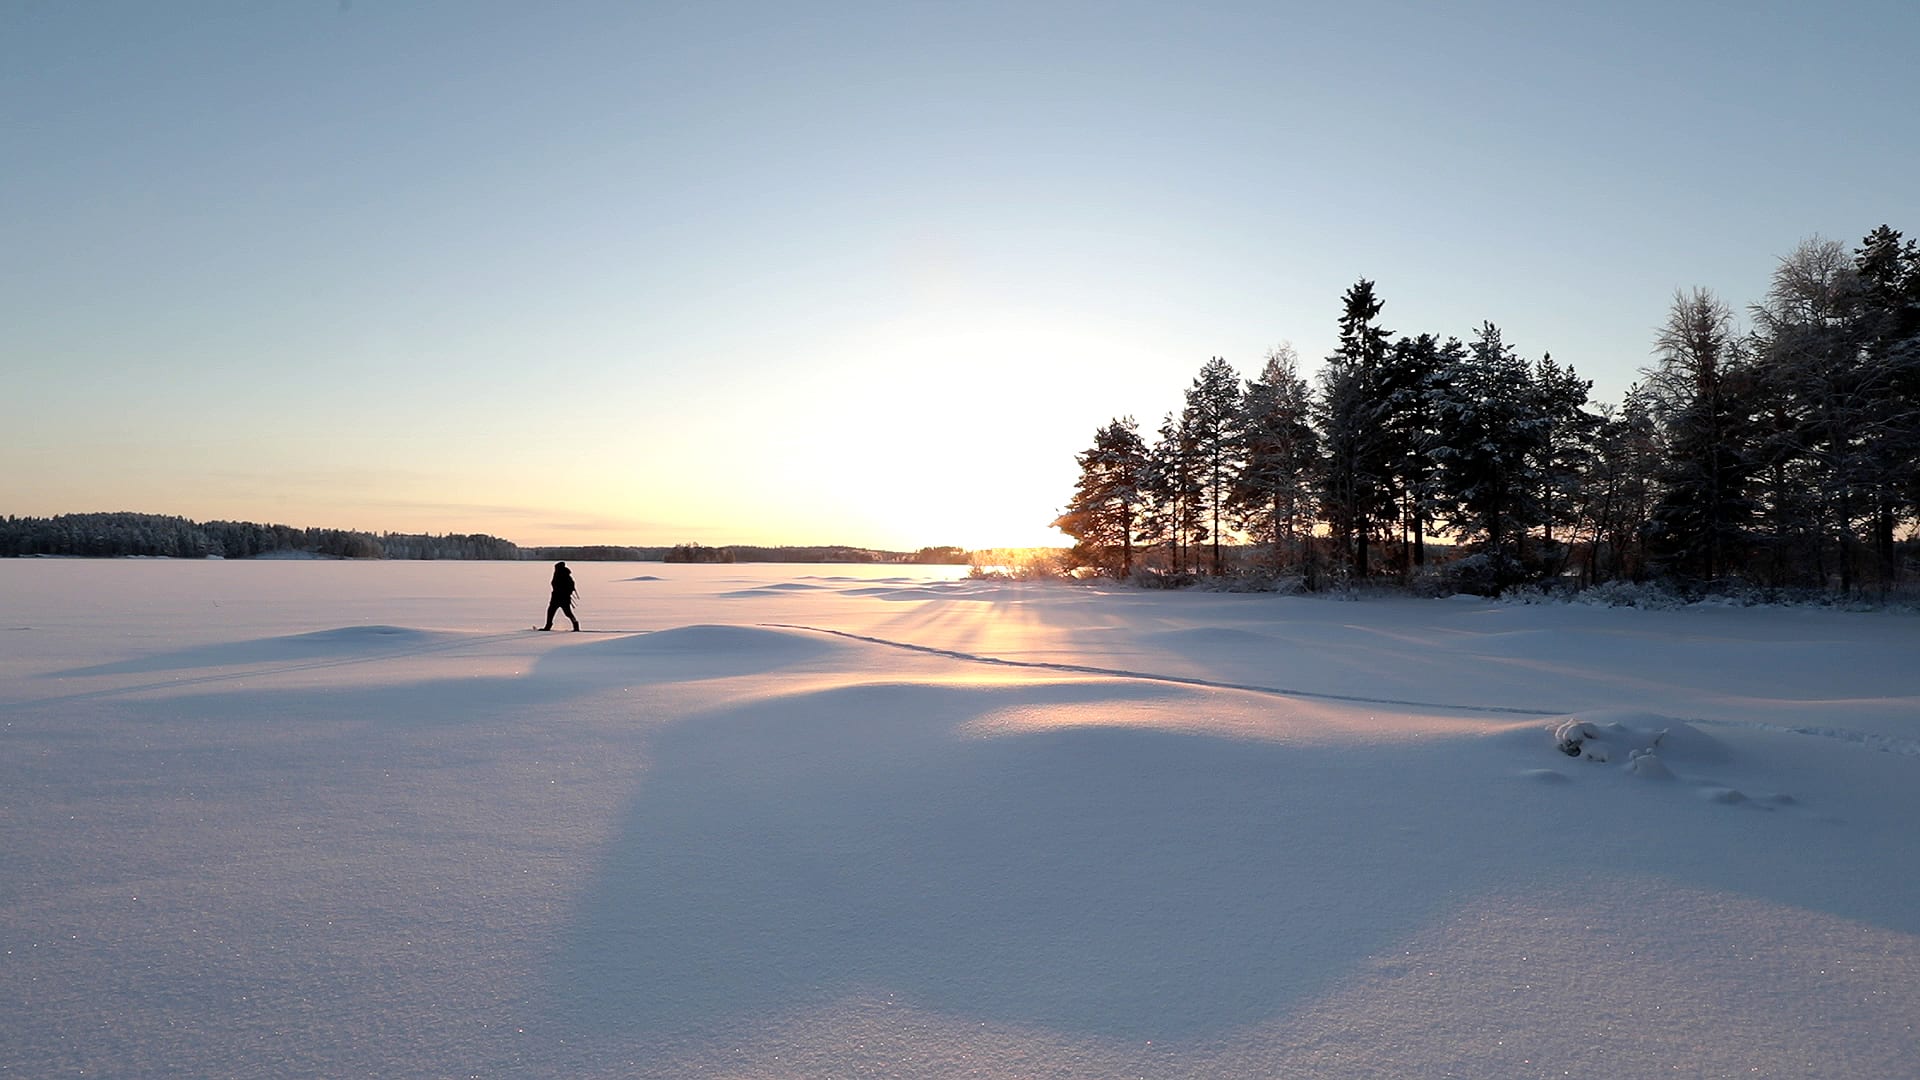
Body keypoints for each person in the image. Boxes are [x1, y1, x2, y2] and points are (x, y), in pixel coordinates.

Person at [540, 561, 580, 631]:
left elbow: (571, 586)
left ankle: (575, 624)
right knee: (552, 612)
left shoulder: (564, 575)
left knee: (566, 613)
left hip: (562, 598)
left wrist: (565, 593)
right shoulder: (559, 574)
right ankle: (548, 625)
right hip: (557, 598)